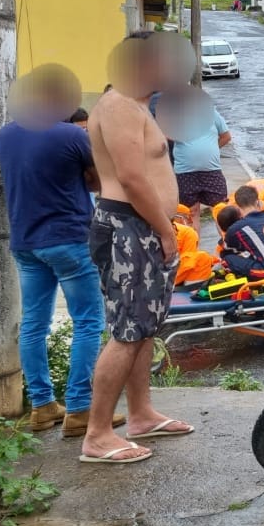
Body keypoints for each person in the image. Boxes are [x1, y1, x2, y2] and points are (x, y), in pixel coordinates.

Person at [83, 30, 196, 465]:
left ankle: (141, 414)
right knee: (127, 332)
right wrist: (164, 232)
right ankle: (97, 435)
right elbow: (131, 179)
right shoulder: (116, 107)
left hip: (143, 225)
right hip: (130, 226)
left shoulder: (134, 106)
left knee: (144, 327)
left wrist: (168, 217)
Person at [0, 64, 125, 438]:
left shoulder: (5, 135)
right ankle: (81, 408)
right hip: (69, 239)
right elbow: (102, 180)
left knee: (34, 324)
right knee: (88, 321)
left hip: (25, 242)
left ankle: (41, 406)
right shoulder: (70, 135)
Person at [174, 106, 231, 224]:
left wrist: (212, 149)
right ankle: (194, 242)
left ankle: (227, 241)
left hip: (211, 170)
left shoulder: (212, 113)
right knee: (191, 212)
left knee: (221, 211)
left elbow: (226, 136)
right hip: (185, 172)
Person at [173, 204, 219, 285]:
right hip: (171, 277)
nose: (191, 222)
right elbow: (189, 261)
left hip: (151, 274)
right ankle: (195, 288)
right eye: (188, 218)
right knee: (203, 257)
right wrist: (211, 261)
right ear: (178, 217)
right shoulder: (187, 232)